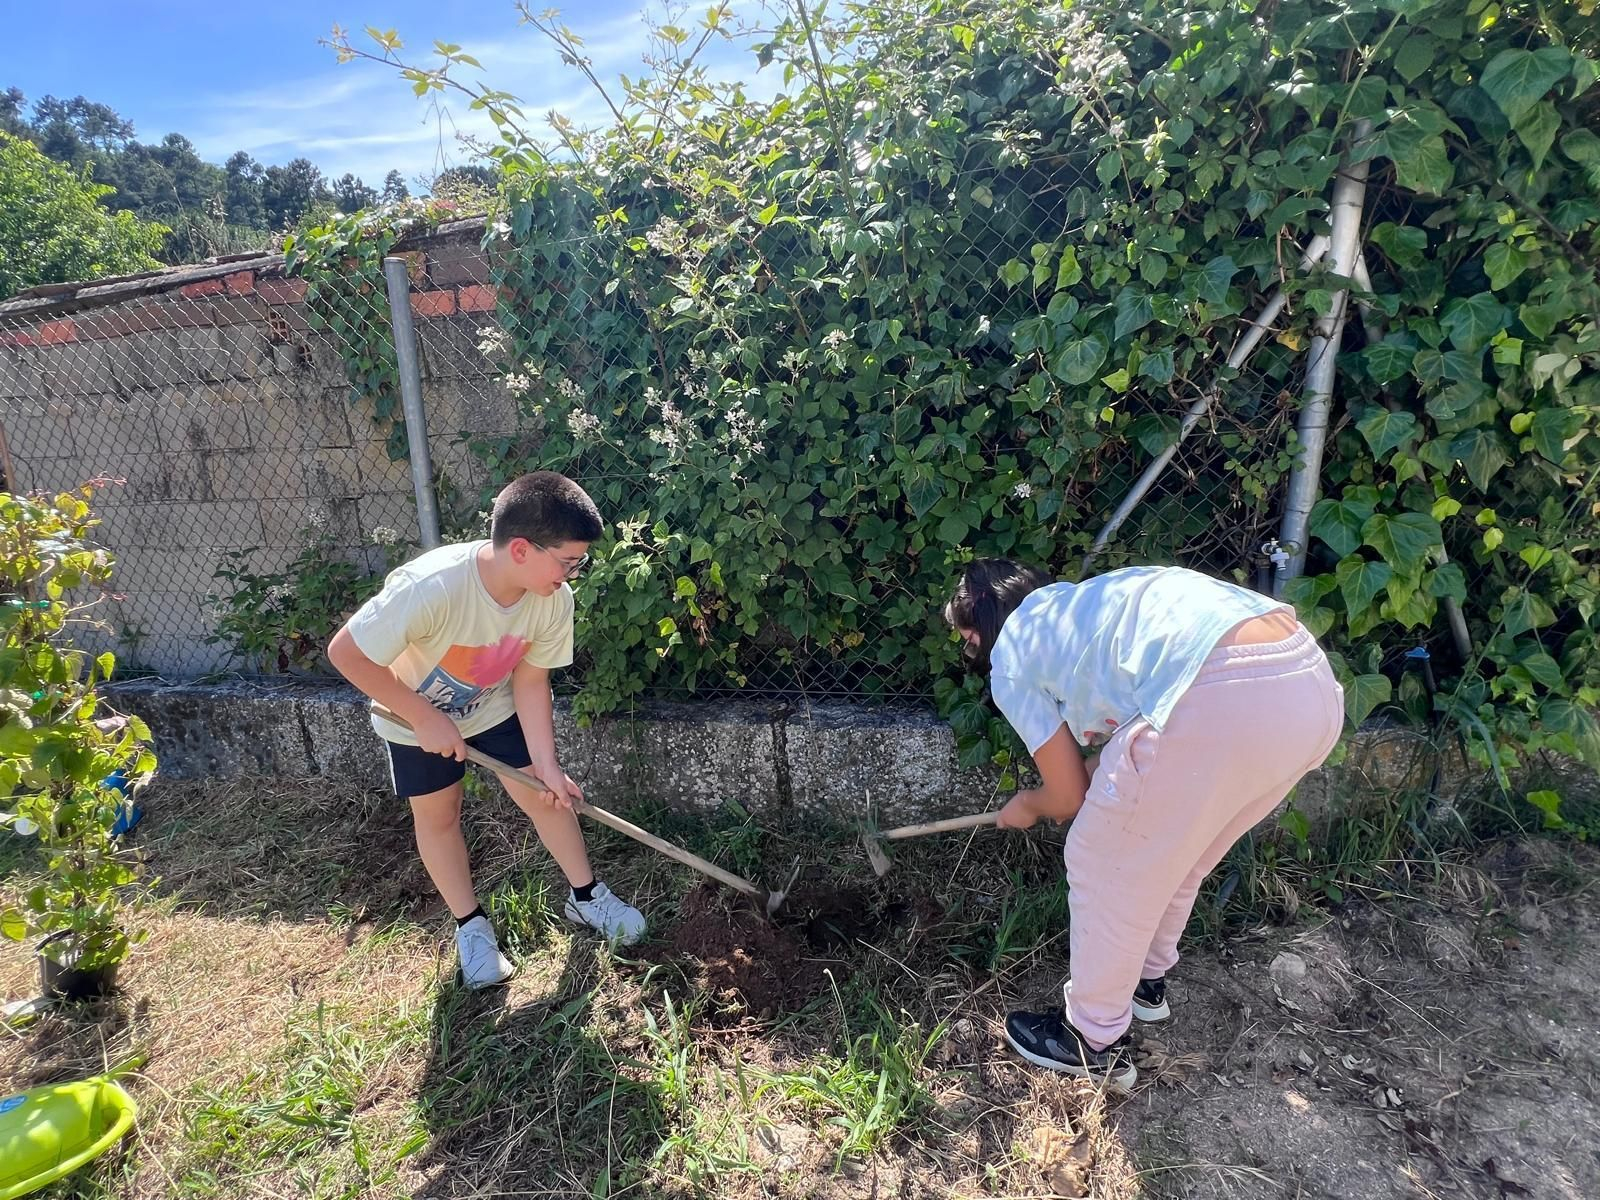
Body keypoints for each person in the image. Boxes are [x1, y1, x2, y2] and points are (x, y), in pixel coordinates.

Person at [944, 559, 1344, 1087]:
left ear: (981, 628)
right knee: (1178, 853)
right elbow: (1104, 772)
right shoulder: (1082, 610)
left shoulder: (1014, 654)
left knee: (1101, 861)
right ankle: (1144, 985)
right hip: (1304, 685)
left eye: (967, 639)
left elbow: (1068, 797)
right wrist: (1053, 794)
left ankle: (1089, 1040)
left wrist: (1032, 805)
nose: (969, 650)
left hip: (1218, 691)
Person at [329, 471, 645, 989]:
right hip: (410, 716)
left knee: (546, 795)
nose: (571, 575)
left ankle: (586, 898)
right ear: (521, 549)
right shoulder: (432, 587)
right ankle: (471, 928)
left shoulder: (551, 600)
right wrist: (424, 716)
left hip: (491, 707)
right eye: (567, 561)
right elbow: (346, 652)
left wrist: (546, 765)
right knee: (439, 815)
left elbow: (530, 679)